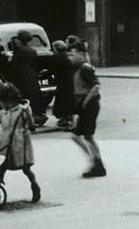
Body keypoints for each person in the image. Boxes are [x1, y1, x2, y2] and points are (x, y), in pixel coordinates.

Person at [0, 83, 40, 203]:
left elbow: (32, 126)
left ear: (8, 100)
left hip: (20, 142)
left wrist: (28, 114)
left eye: (1, 100)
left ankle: (35, 186)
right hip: (4, 142)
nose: (0, 103)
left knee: (26, 169)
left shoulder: (22, 109)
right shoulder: (1, 113)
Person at [69, 46, 106, 178]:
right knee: (87, 136)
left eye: (73, 55)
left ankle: (95, 162)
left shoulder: (84, 68)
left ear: (81, 54)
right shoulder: (81, 67)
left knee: (78, 135)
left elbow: (96, 85)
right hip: (87, 104)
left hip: (88, 104)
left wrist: (85, 101)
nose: (70, 58)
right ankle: (97, 164)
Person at [10, 29, 47, 126]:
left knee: (21, 95)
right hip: (30, 74)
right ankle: (36, 115)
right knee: (32, 94)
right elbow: (35, 64)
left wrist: (12, 77)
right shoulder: (32, 50)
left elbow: (15, 63)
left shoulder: (18, 49)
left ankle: (23, 117)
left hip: (21, 74)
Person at [51, 40, 75, 129]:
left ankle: (65, 118)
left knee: (63, 99)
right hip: (72, 79)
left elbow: (54, 69)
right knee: (70, 100)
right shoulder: (69, 55)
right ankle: (69, 119)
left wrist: (47, 72)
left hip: (63, 81)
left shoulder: (57, 56)